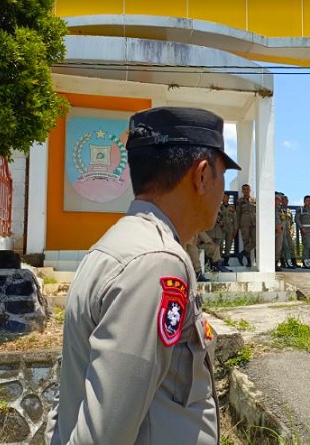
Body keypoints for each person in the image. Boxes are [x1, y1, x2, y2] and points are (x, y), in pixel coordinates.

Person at [46, 107, 240, 444]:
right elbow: (104, 435)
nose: (224, 192)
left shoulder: (122, 244)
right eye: (223, 176)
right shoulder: (156, 262)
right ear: (203, 175)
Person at [235, 183, 256, 267]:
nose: (246, 191)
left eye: (248, 189)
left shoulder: (255, 200)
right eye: (244, 189)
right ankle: (249, 262)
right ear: (242, 191)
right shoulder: (239, 201)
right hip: (244, 224)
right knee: (246, 241)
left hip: (254, 223)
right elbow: (238, 214)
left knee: (255, 241)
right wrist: (237, 227)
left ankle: (242, 254)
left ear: (250, 190)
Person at [295, 195, 310, 269]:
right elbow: (297, 220)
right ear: (304, 201)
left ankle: (308, 262)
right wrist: (301, 228)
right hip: (306, 230)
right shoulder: (300, 209)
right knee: (307, 246)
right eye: (307, 200)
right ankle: (305, 262)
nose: (309, 202)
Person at [219, 193, 236, 265]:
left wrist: (235, 229)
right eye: (222, 197)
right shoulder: (219, 207)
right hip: (222, 227)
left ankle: (226, 261)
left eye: (225, 197)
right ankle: (219, 261)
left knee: (228, 245)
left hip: (230, 228)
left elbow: (235, 218)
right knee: (220, 244)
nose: (223, 198)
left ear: (228, 198)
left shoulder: (232, 207)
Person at [280, 194, 296, 269]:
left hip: (288, 232)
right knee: (285, 247)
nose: (286, 202)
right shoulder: (279, 210)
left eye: (287, 200)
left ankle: (293, 262)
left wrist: (292, 230)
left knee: (291, 247)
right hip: (281, 232)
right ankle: (287, 263)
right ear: (281, 201)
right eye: (284, 200)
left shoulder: (289, 210)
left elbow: (292, 222)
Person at [274, 192, 285, 271]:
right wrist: (275, 226)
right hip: (272, 231)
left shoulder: (280, 210)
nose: (278, 202)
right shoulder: (270, 209)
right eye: (276, 200)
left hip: (280, 231)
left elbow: (283, 220)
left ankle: (275, 263)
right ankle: (271, 264)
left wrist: (281, 227)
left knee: (278, 248)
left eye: (279, 200)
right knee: (271, 248)